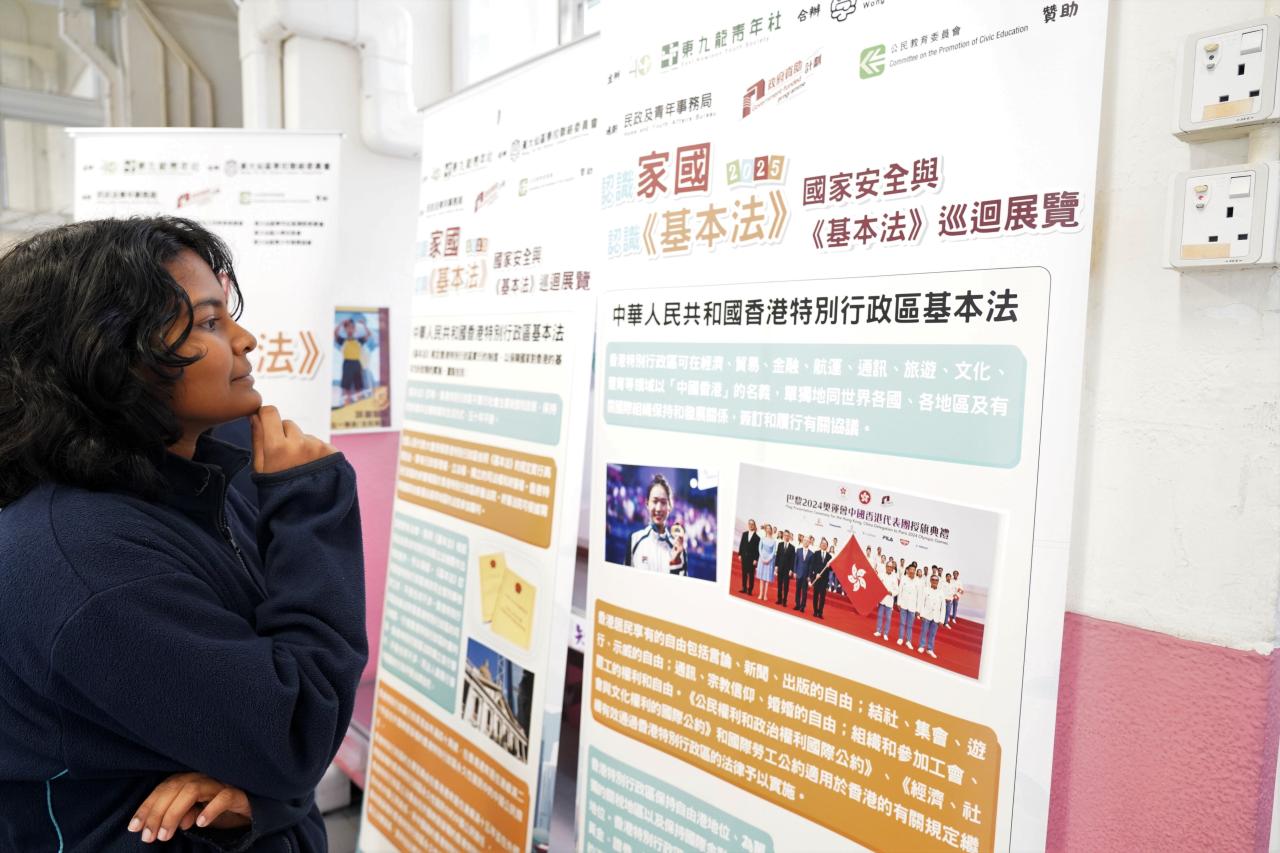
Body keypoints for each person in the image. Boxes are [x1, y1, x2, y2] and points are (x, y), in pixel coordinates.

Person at [0, 217, 367, 851]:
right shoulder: (86, 559)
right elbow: (296, 732)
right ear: (108, 354)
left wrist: (260, 795)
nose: (246, 341)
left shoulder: (202, 477)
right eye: (209, 323)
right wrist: (313, 508)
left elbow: (274, 738)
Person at [627, 474, 685, 573]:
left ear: (670, 507)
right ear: (647, 503)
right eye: (655, 501)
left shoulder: (678, 550)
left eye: (663, 502)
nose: (658, 508)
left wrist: (675, 563)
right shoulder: (634, 539)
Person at [333, 316, 371, 407]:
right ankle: (346, 406)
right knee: (346, 388)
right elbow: (335, 333)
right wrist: (341, 323)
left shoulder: (359, 340)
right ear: (345, 329)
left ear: (354, 329)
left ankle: (358, 406)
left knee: (359, 387)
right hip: (347, 364)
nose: (350, 329)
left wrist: (364, 325)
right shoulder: (343, 341)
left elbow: (368, 334)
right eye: (348, 327)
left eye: (352, 327)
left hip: (357, 364)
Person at [919, 574, 947, 659]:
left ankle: (930, 649)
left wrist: (942, 620)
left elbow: (943, 607)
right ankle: (922, 646)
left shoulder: (941, 592)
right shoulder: (926, 590)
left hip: (936, 617)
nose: (934, 581)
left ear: (938, 582)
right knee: (924, 631)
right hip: (926, 615)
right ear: (930, 581)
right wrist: (921, 614)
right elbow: (922, 602)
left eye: (936, 580)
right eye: (933, 580)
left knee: (932, 634)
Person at [874, 561, 900, 640]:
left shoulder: (894, 578)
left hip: (889, 601)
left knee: (888, 618)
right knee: (880, 616)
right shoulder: (881, 574)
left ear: (892, 568)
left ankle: (885, 633)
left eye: (890, 567)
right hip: (881, 600)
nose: (889, 568)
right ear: (886, 567)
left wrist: (891, 593)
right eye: (888, 566)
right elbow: (877, 585)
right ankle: (878, 631)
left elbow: (897, 590)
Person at [808, 537, 833, 618]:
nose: (823, 545)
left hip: (824, 580)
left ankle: (820, 613)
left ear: (827, 546)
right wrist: (816, 574)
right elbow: (813, 565)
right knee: (815, 595)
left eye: (825, 544)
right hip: (817, 578)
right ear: (820, 544)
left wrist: (830, 566)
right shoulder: (816, 553)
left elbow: (831, 569)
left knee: (822, 597)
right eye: (822, 543)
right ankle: (815, 611)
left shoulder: (829, 557)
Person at [897, 564, 920, 649]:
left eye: (913, 570)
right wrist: (898, 603)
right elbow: (900, 591)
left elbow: (919, 596)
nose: (912, 571)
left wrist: (918, 609)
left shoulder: (918, 581)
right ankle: (900, 638)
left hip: (913, 607)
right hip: (903, 604)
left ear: (915, 571)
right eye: (910, 569)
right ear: (908, 570)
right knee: (902, 623)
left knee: (910, 625)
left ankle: (908, 641)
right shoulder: (904, 578)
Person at [738, 518, 760, 594]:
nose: (751, 525)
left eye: (752, 524)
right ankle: (744, 588)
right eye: (749, 524)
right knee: (744, 573)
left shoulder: (757, 538)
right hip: (744, 557)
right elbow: (741, 545)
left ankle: (750, 590)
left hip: (752, 559)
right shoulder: (744, 534)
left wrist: (756, 559)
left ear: (754, 525)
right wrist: (740, 554)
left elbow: (757, 550)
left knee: (751, 575)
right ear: (748, 525)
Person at [755, 524, 777, 601]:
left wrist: (769, 559)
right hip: (762, 559)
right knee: (761, 578)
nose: (768, 530)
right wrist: (762, 557)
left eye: (769, 528)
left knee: (767, 579)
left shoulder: (774, 541)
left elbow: (774, 551)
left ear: (771, 530)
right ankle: (760, 594)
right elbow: (759, 548)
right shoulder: (762, 539)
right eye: (767, 528)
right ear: (765, 530)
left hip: (770, 561)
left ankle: (765, 595)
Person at [792, 535, 813, 612]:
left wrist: (809, 576)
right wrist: (794, 572)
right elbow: (795, 562)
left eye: (807, 541)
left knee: (804, 592)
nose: (806, 542)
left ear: (809, 543)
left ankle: (802, 606)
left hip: (806, 576)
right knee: (797, 590)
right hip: (798, 574)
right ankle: (797, 605)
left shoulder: (811, 553)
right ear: (802, 541)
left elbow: (811, 566)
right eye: (805, 540)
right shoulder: (798, 550)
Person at [775, 530, 796, 605]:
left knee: (786, 586)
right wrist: (776, 566)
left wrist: (791, 570)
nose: (786, 537)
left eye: (788, 535)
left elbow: (793, 560)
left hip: (787, 570)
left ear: (789, 537)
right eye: (785, 535)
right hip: (780, 567)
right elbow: (777, 556)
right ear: (783, 536)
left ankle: (784, 600)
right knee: (779, 584)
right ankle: (779, 599)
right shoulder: (780, 544)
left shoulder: (792, 547)